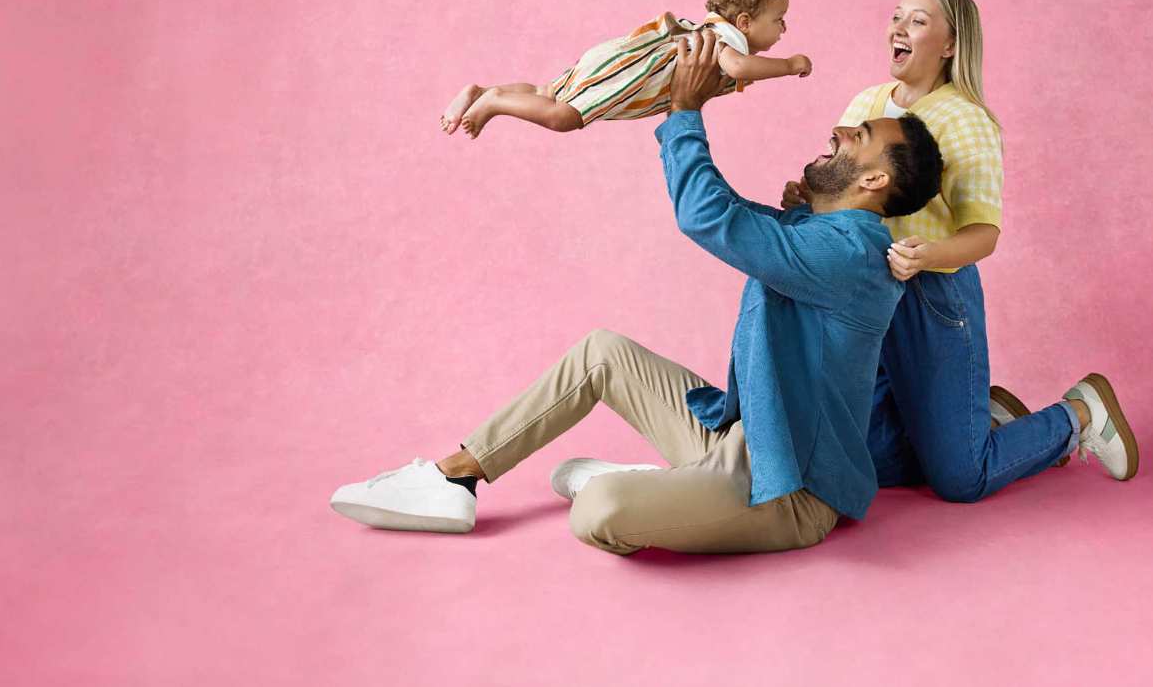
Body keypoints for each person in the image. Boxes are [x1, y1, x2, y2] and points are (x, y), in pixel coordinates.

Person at [332, 31, 943, 554]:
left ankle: (663, 488)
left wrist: (684, 109)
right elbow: (737, 219)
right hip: (743, 436)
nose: (840, 130)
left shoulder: (849, 252)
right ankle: (455, 477)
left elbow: (710, 218)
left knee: (598, 511)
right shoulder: (829, 234)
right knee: (603, 352)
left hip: (787, 489)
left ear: (874, 178)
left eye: (859, 135)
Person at [781, 0, 1139, 501]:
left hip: (932, 298)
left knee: (960, 479)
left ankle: (1079, 414)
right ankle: (981, 427)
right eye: (897, 15)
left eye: (919, 21)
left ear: (950, 44)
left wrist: (928, 255)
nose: (899, 28)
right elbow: (847, 188)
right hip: (865, 293)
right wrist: (807, 199)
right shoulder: (865, 103)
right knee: (865, 454)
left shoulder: (967, 121)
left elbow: (983, 234)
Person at [438, 0, 812, 138]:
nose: (784, 28)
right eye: (778, 19)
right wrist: (789, 64)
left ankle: (482, 92)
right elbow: (740, 68)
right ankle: (495, 102)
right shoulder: (726, 40)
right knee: (563, 117)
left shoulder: (711, 30)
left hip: (616, 59)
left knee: (546, 92)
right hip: (630, 75)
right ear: (744, 22)